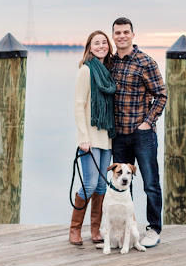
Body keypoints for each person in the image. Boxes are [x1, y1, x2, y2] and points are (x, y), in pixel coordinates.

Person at [110, 17, 167, 248]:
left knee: (150, 183)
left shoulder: (146, 62)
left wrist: (148, 122)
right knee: (123, 184)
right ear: (113, 36)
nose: (121, 36)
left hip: (142, 134)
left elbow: (161, 95)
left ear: (133, 35)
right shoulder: (110, 63)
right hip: (118, 135)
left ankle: (153, 229)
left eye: (126, 32)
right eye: (117, 33)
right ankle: (126, 229)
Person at [69, 30, 117, 245]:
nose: (101, 46)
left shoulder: (107, 72)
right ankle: (74, 230)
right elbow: (79, 106)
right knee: (88, 184)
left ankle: (95, 230)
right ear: (89, 47)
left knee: (101, 186)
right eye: (96, 43)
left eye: (104, 43)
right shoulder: (86, 71)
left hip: (105, 137)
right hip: (89, 138)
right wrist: (83, 139)